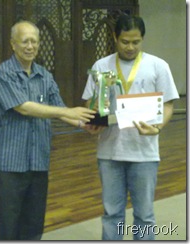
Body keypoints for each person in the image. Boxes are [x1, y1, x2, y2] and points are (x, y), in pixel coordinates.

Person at [0, 20, 95, 240]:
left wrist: (86, 124)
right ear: (13, 44)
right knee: (7, 224)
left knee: (34, 223)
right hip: (10, 164)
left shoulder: (45, 76)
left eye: (34, 41)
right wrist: (67, 113)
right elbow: (24, 108)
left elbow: (62, 110)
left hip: (39, 161)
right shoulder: (4, 73)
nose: (30, 46)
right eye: (25, 41)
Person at [82, 15, 179, 240]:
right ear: (115, 38)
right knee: (112, 213)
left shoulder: (158, 66)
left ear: (142, 39)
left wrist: (158, 127)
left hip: (144, 152)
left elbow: (168, 105)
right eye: (125, 41)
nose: (130, 47)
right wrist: (93, 121)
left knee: (144, 215)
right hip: (109, 151)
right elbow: (89, 102)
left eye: (136, 42)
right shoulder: (101, 66)